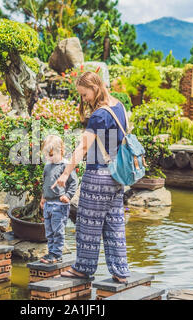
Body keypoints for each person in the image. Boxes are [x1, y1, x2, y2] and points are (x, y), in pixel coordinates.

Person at [51, 71, 130, 283]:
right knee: (114, 224)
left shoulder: (99, 115)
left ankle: (83, 268)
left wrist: (66, 173)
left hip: (98, 177)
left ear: (95, 89)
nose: (84, 99)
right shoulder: (119, 107)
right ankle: (120, 271)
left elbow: (83, 146)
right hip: (117, 176)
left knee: (87, 225)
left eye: (84, 94)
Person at [39, 134, 78, 264]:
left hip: (59, 205)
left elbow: (73, 182)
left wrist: (67, 196)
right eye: (46, 155)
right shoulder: (47, 166)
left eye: (51, 155)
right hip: (48, 204)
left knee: (58, 230)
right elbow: (45, 183)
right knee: (49, 231)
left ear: (61, 151)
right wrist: (43, 198)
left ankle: (57, 254)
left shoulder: (66, 166)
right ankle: (51, 253)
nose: (48, 158)